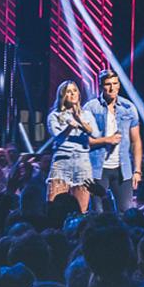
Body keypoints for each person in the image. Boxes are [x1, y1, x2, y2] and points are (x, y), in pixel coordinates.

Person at [89, 70, 143, 212]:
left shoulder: (129, 108)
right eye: (108, 84)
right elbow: (84, 141)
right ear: (101, 86)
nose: (112, 88)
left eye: (115, 83)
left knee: (127, 213)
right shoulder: (91, 108)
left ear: (119, 85)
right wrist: (107, 140)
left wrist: (137, 170)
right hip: (97, 169)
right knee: (98, 214)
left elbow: (136, 141)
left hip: (123, 169)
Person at [47, 79, 99, 213]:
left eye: (75, 91)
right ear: (62, 96)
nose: (73, 94)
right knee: (54, 208)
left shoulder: (86, 114)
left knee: (81, 211)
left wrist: (79, 120)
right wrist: (70, 126)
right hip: (62, 162)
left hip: (82, 163)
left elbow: (96, 135)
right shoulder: (55, 115)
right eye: (68, 92)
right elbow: (58, 138)